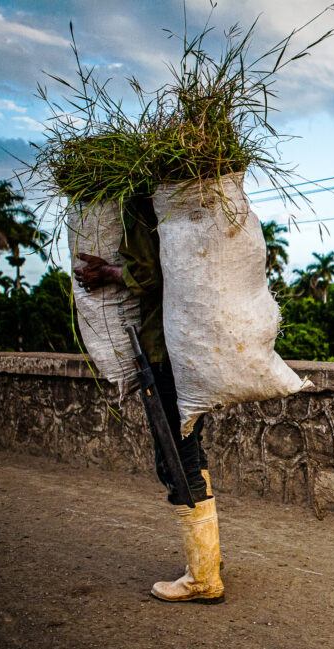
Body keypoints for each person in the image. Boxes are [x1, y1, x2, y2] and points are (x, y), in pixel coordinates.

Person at [73, 196, 224, 604]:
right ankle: (207, 560)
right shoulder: (181, 208)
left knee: (176, 458)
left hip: (163, 351)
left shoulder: (139, 204)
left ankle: (204, 577)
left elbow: (150, 274)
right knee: (191, 449)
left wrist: (108, 273)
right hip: (192, 350)